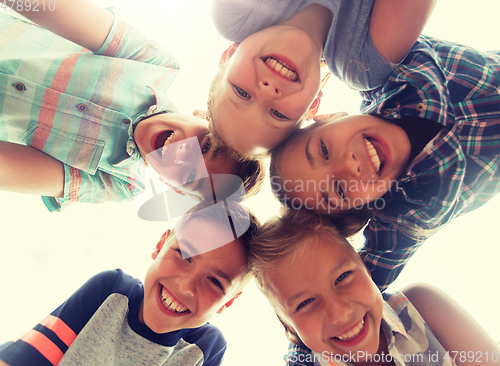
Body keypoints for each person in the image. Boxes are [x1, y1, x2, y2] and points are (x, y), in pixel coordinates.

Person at [269, 32, 500, 289]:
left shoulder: (384, 70)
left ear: (330, 116)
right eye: (340, 189)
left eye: (323, 149)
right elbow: (363, 286)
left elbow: (337, 25)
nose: (349, 166)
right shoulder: (405, 217)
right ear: (366, 206)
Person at [0, 1, 263, 213]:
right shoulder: (155, 65)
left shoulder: (119, 183)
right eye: (205, 145)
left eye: (191, 176)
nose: (185, 155)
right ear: (204, 116)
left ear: (174, 188)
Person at [0, 200, 260, 366]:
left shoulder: (205, 349)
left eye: (215, 281)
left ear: (229, 302)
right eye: (184, 254)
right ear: (160, 245)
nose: (185, 286)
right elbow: (25, 359)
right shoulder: (111, 291)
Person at [249, 208, 500, 366]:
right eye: (304, 303)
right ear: (289, 326)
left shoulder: (422, 306)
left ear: (366, 269)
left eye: (343, 277)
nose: (340, 312)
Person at [206, 0, 437, 156]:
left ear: (229, 55)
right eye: (277, 114)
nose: (267, 92)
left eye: (241, 92)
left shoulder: (236, 14)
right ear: (313, 104)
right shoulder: (362, 65)